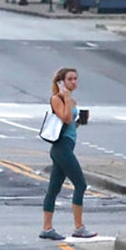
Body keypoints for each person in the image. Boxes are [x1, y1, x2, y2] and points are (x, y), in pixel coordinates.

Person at [40, 67, 97, 240]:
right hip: (61, 148)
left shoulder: (72, 100)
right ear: (61, 82)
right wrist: (65, 97)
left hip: (67, 146)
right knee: (80, 185)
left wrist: (81, 120)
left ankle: (47, 228)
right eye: (70, 79)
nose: (73, 82)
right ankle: (79, 227)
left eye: (75, 79)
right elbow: (65, 117)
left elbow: (70, 124)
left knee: (53, 189)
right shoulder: (57, 99)